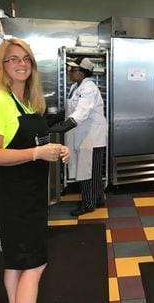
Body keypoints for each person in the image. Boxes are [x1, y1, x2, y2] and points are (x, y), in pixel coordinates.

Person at [0, 37, 70, 303]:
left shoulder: (24, 102)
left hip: (31, 194)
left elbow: (31, 143)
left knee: (16, 263)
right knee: (35, 264)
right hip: (15, 197)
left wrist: (53, 150)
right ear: (1, 65)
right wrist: (38, 153)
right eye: (14, 59)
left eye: (26, 58)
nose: (22, 63)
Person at [50, 57, 107, 216]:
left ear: (82, 72)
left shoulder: (89, 88)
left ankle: (88, 204)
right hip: (84, 136)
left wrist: (59, 128)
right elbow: (70, 109)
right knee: (93, 171)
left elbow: (81, 113)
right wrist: (53, 119)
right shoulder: (76, 86)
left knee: (87, 171)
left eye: (73, 69)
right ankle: (98, 199)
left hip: (92, 137)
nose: (70, 72)